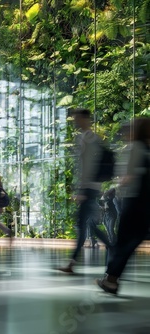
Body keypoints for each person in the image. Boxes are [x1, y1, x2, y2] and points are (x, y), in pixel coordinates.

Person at [97, 118, 150, 294]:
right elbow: (128, 176)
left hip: (135, 200)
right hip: (136, 200)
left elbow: (126, 176)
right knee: (129, 240)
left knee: (128, 240)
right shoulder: (138, 148)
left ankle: (111, 278)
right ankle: (111, 278)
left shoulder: (137, 148)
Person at [59, 108, 113, 273]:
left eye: (77, 118)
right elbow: (81, 167)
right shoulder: (84, 138)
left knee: (84, 225)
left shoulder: (90, 139)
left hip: (89, 189)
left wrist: (82, 190)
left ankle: (112, 248)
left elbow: (89, 168)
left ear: (86, 119)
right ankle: (73, 262)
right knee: (87, 225)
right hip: (88, 188)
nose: (75, 121)